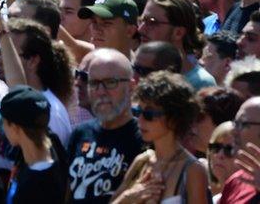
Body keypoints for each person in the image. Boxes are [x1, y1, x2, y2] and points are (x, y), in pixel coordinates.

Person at [112, 71, 208, 204]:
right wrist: (129, 197)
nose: (140, 119)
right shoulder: (142, 162)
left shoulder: (193, 170)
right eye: (138, 111)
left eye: (149, 113)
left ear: (174, 117)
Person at [66, 49, 145, 204]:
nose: (101, 92)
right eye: (94, 83)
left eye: (110, 82)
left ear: (131, 86)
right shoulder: (80, 133)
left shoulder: (144, 139)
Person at [0, 85, 68, 203]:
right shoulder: (49, 141)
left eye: (3, 122)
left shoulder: (37, 188)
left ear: (16, 128)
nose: (2, 128)